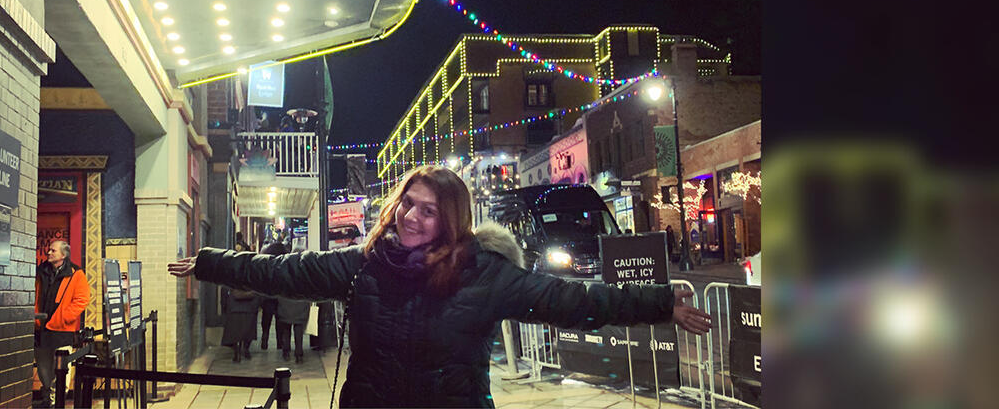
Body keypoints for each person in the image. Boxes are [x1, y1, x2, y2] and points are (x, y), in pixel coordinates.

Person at [170, 166, 712, 408]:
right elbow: (282, 272)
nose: (410, 216)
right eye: (408, 202)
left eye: (428, 211)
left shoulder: (485, 273)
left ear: (450, 221)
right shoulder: (365, 265)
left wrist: (660, 301)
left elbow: (573, 300)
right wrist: (209, 262)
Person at [35, 240, 90, 408]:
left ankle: (56, 399)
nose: (48, 253)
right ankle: (47, 396)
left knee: (62, 368)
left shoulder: (76, 273)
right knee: (43, 367)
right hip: (41, 326)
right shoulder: (40, 271)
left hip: (62, 328)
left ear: (63, 255)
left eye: (53, 250)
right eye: (49, 250)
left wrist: (63, 317)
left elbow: (82, 300)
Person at [274, 252, 311, 364]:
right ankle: (299, 354)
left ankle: (286, 352)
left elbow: (279, 289)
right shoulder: (304, 273)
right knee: (298, 331)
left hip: (286, 305)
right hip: (300, 305)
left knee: (286, 330)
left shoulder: (284, 271)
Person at [256, 239, 289, 351]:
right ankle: (280, 342)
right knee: (280, 320)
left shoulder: (266, 263)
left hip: (267, 296)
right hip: (280, 297)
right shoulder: (284, 264)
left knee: (266, 319)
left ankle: (264, 340)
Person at [221, 285, 260, 362]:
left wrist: (225, 309)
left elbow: (224, 295)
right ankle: (246, 350)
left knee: (235, 332)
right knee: (249, 331)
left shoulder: (230, 279)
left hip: (233, 309)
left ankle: (237, 352)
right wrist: (256, 307)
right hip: (250, 309)